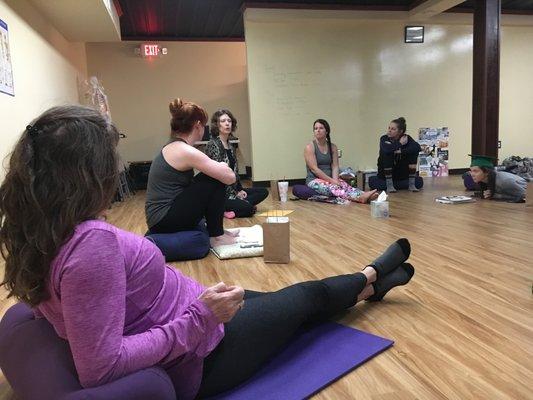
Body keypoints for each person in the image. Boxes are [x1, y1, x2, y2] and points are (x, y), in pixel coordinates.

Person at [0, 106, 415, 400]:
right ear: (85, 173)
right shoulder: (89, 245)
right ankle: (371, 275)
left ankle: (372, 289)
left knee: (296, 306)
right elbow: (101, 367)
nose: (116, 173)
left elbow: (71, 311)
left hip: (193, 314)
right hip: (201, 351)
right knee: (307, 298)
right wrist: (200, 317)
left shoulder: (37, 225)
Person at [145, 99, 238, 247]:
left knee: (210, 176)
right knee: (214, 178)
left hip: (160, 217)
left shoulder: (175, 146)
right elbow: (230, 177)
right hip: (162, 220)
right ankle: (217, 236)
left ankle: (216, 232)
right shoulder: (184, 150)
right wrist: (221, 166)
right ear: (198, 125)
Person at [205, 110, 268, 218]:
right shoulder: (213, 144)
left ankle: (240, 205)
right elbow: (219, 175)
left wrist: (239, 190)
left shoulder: (230, 145)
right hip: (220, 194)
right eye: (223, 121)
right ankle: (236, 208)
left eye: (229, 121)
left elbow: (235, 172)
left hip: (233, 192)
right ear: (217, 124)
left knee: (263, 191)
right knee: (248, 209)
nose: (227, 123)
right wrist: (234, 193)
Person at [304, 119, 378, 203]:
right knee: (333, 188)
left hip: (331, 178)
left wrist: (336, 180)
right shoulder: (310, 147)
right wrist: (332, 181)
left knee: (345, 186)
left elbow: (335, 166)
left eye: (321, 128)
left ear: (327, 131)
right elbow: (315, 169)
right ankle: (359, 197)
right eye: (315, 128)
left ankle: (364, 194)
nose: (318, 130)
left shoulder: (333, 147)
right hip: (314, 180)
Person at [370, 117, 423, 192]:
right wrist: (399, 143)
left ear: (400, 131)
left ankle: (411, 184)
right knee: (387, 153)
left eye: (393, 129)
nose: (389, 130)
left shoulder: (406, 138)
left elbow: (417, 148)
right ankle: (390, 185)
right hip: (385, 178)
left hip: (402, 177)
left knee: (419, 181)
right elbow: (387, 149)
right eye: (389, 128)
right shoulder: (384, 138)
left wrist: (401, 151)